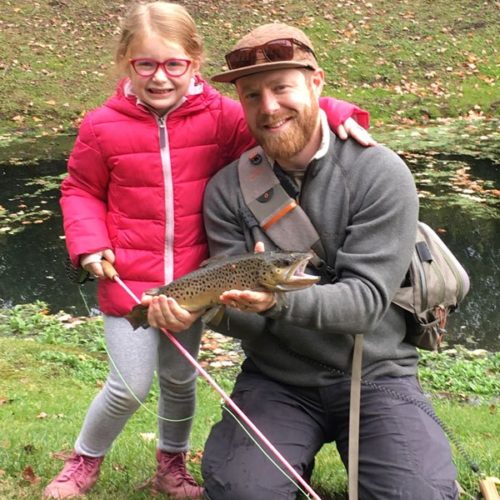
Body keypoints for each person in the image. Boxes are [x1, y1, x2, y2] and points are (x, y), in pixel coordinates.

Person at [44, 2, 373, 499]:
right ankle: (84, 461)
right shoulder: (100, 126)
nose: (160, 77)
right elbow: (80, 190)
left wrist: (341, 114)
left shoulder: (221, 118)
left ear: (194, 62)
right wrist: (90, 245)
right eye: (145, 64)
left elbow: (279, 114)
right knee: (130, 385)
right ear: (125, 63)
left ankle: (170, 467)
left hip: (196, 286)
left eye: (174, 63)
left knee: (181, 380)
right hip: (129, 283)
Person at [148, 22, 459, 499]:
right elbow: (243, 321)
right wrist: (211, 309)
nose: (269, 108)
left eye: (281, 88)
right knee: (241, 491)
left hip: (376, 374)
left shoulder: (379, 173)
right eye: (252, 96)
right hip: (278, 380)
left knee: (416, 493)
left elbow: (365, 303)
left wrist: (274, 303)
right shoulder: (228, 190)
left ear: (316, 83)